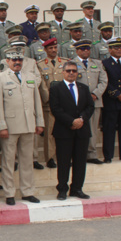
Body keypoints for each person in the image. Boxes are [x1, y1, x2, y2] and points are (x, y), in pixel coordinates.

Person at [0, 47, 45, 205]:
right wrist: (2, 126)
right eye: (13, 60)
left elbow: (37, 101)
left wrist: (39, 122)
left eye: (20, 60)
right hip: (10, 126)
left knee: (27, 161)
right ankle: (9, 193)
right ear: (7, 61)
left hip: (29, 125)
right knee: (8, 162)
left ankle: (27, 191)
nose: (17, 62)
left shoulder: (30, 77)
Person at [49, 61, 95, 200]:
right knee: (63, 162)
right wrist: (71, 121)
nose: (71, 73)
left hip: (82, 130)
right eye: (68, 70)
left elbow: (90, 107)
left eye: (74, 71)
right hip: (64, 130)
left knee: (80, 161)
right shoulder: (56, 88)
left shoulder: (83, 88)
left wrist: (81, 119)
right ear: (63, 72)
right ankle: (62, 189)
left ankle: (77, 188)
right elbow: (55, 108)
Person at [72, 39, 108, 164]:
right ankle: (78, 155)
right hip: (78, 103)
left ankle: (92, 154)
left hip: (95, 101)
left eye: (87, 49)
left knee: (93, 128)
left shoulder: (97, 63)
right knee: (78, 128)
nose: (85, 51)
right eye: (82, 49)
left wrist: (95, 94)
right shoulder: (71, 63)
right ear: (77, 51)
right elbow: (71, 82)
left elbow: (103, 81)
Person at [37, 38, 70, 169]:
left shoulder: (66, 63)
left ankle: (65, 156)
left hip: (64, 104)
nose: (53, 50)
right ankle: (50, 158)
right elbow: (42, 85)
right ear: (45, 50)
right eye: (50, 48)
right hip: (49, 103)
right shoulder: (40, 64)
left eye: (55, 47)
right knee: (50, 132)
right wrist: (50, 99)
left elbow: (68, 81)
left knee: (65, 132)